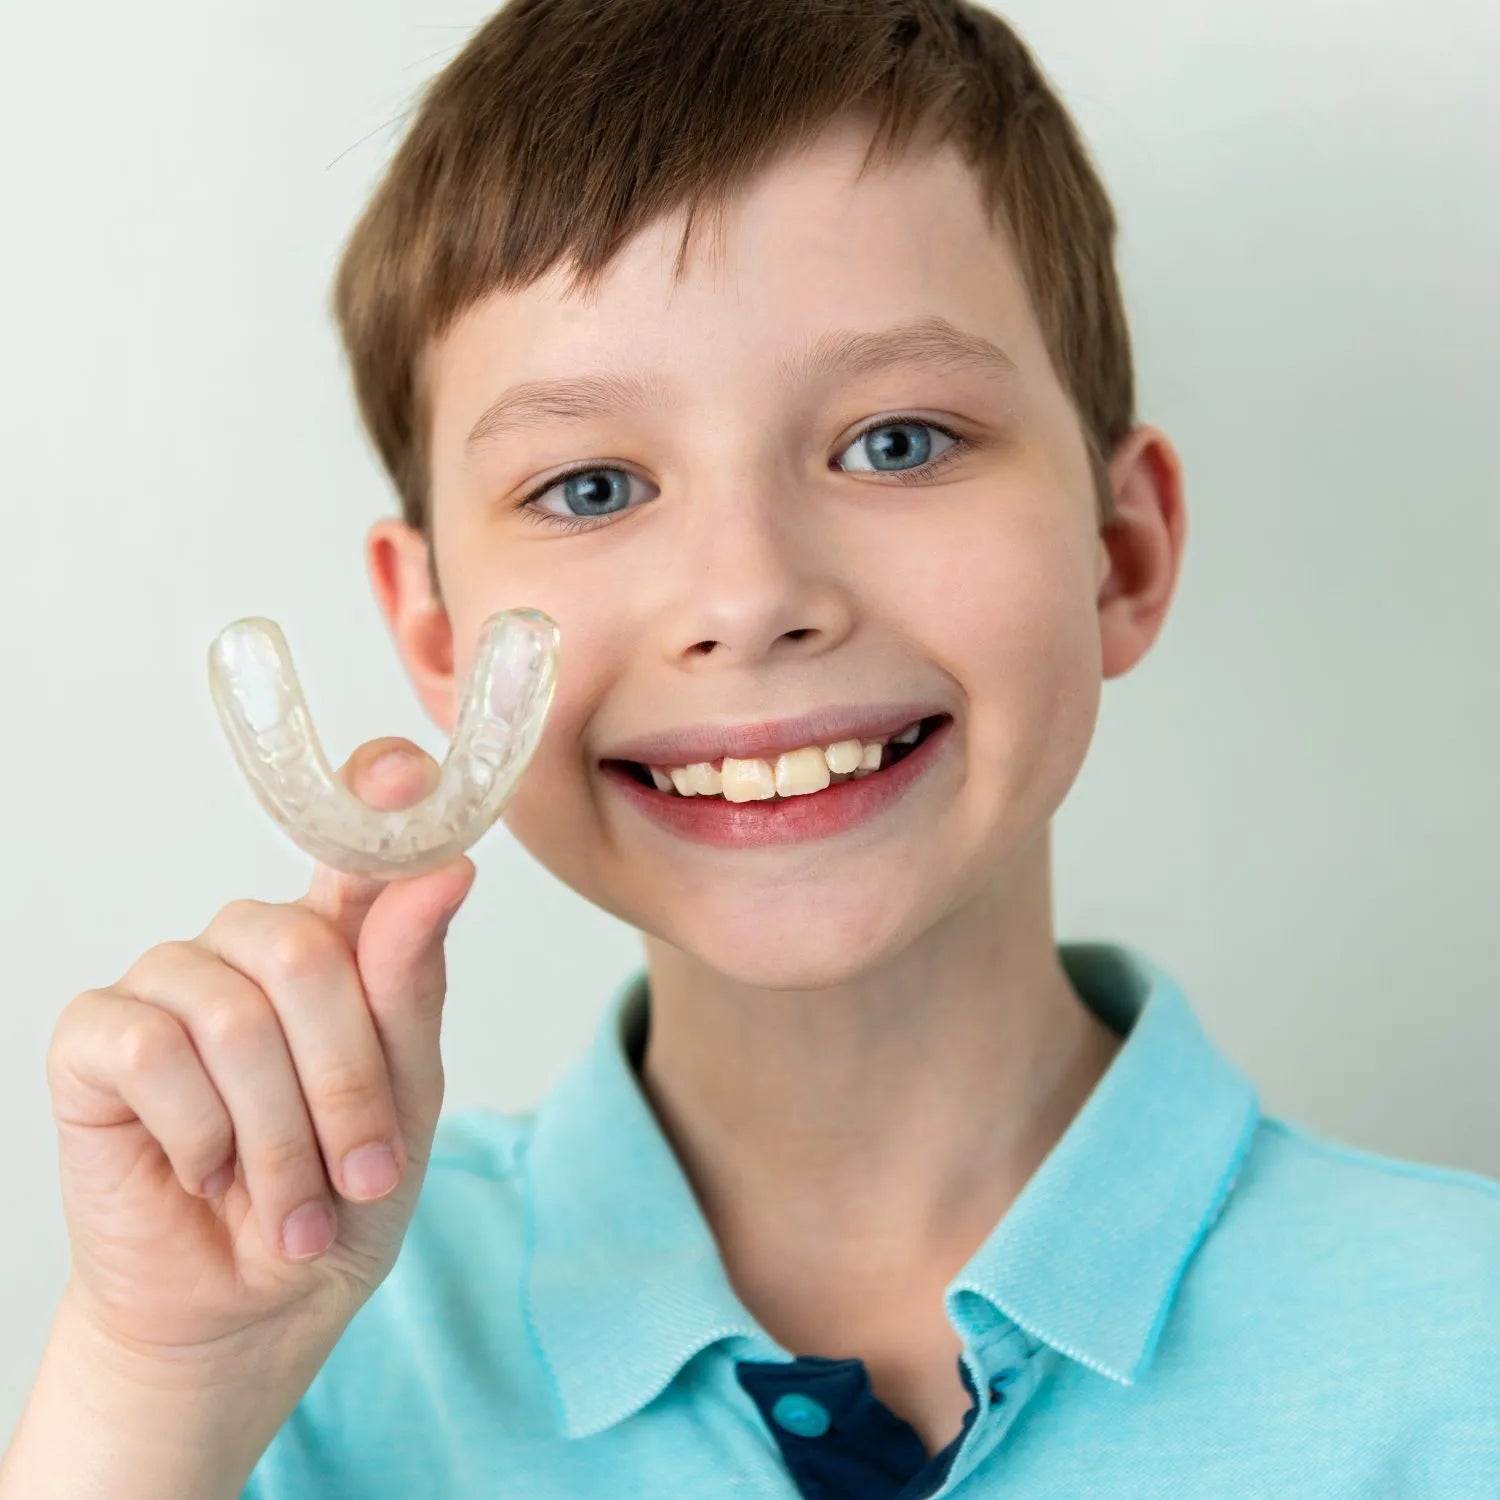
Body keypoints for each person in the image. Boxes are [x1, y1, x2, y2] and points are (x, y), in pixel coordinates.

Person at [5, 1, 1497, 1496]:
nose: (750, 597)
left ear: (1119, 552)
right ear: (440, 633)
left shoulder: (1464, 1347)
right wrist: (152, 1400)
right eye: (591, 487)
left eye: (895, 441)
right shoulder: (282, 1362)